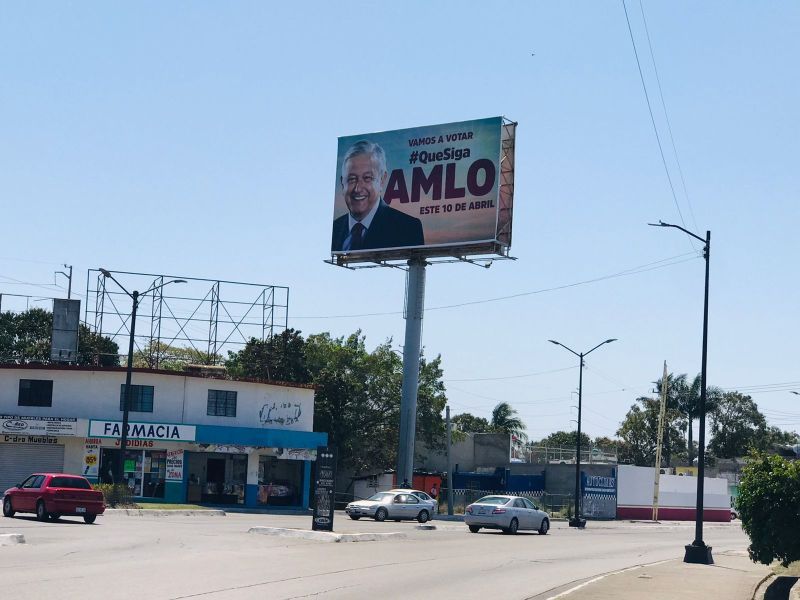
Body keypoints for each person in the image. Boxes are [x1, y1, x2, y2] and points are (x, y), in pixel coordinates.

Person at [331, 140, 424, 252]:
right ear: (342, 183)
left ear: (382, 179)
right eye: (351, 179)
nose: (358, 189)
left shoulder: (407, 228)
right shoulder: (335, 229)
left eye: (367, 178)